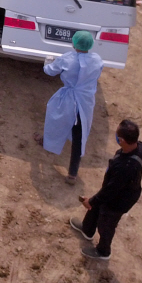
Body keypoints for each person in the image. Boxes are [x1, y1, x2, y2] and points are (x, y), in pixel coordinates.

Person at [71, 119, 142, 260]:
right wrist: (94, 202)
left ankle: (103, 251)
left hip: (118, 201)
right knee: (95, 208)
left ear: (122, 140)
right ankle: (87, 229)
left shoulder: (126, 167)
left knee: (106, 224)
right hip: (115, 190)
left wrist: (92, 201)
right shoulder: (140, 149)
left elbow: (110, 191)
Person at [36, 30, 103, 183]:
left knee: (56, 120)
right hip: (85, 102)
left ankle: (46, 140)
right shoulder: (97, 60)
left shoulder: (67, 58)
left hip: (68, 99)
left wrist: (48, 60)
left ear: (74, 43)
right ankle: (72, 173)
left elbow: (50, 71)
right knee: (79, 134)